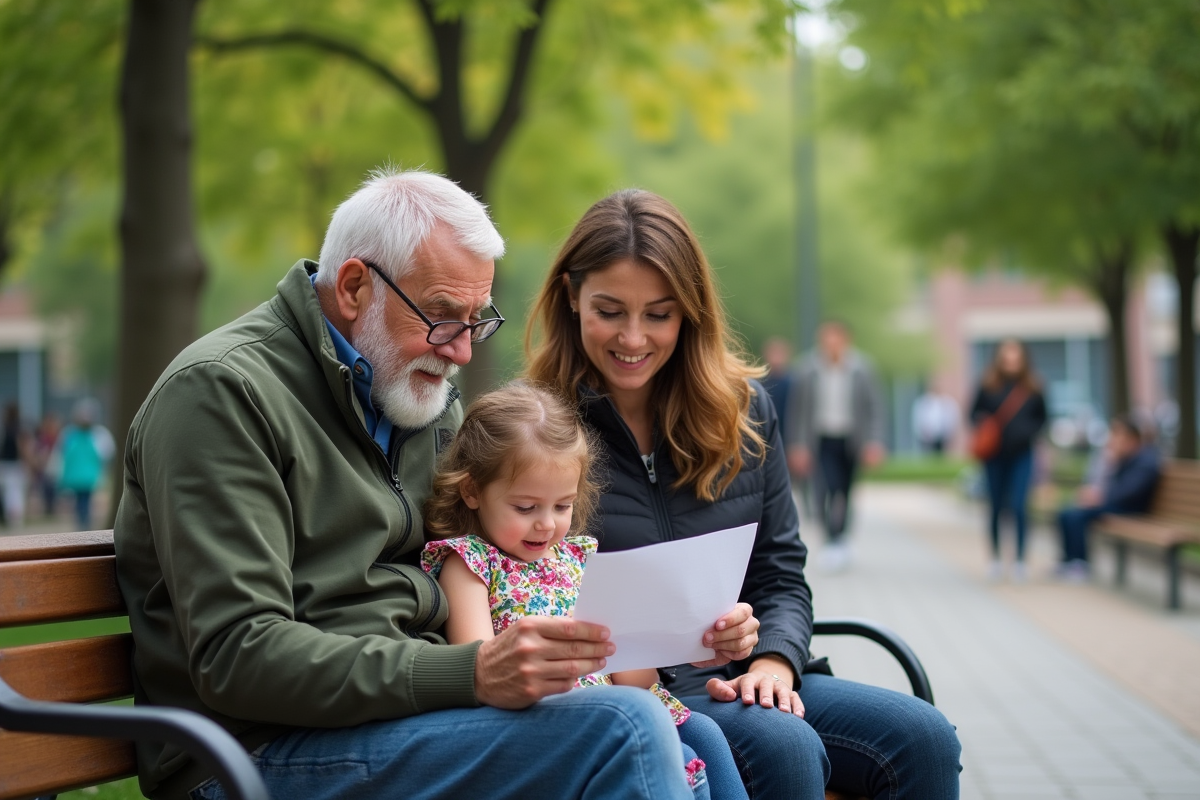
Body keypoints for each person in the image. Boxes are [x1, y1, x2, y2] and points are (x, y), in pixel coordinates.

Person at [114, 170, 699, 800]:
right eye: (443, 316)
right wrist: (471, 672)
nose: (462, 353)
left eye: (477, 320)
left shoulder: (415, 394)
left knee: (718, 740)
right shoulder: (222, 395)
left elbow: (494, 561)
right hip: (257, 755)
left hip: (410, 725)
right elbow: (240, 655)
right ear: (355, 286)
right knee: (624, 730)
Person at [526, 189, 961, 800]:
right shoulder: (534, 430)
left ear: (690, 312)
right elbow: (512, 590)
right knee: (784, 746)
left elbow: (781, 572)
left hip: (748, 679)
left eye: (659, 313)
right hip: (629, 696)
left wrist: (774, 658)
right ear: (571, 296)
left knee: (924, 737)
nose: (633, 337)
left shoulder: (744, 412)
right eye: (609, 310)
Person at [421, 382, 744, 798]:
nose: (546, 524)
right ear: (472, 491)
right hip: (542, 719)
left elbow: (631, 677)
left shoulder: (577, 556)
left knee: (706, 733)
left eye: (562, 505)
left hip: (622, 706)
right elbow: (481, 669)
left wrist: (679, 639)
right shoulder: (468, 562)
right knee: (678, 761)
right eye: (525, 507)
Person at [785, 320, 886, 572]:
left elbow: (875, 408)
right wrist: (797, 445)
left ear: (846, 339)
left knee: (846, 490)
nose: (831, 344)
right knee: (825, 489)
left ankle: (843, 538)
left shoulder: (862, 369)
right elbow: (796, 412)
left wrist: (875, 442)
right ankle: (830, 539)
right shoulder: (807, 369)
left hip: (851, 439)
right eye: (826, 338)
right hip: (820, 439)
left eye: (836, 338)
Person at [969, 339, 1047, 582]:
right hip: (994, 455)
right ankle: (995, 558)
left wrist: (1026, 432)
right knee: (994, 506)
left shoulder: (1033, 387)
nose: (1011, 361)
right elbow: (972, 414)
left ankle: (1021, 560)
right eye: (1006, 356)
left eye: (1015, 356)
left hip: (1022, 453)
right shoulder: (988, 385)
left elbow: (1043, 419)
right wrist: (986, 425)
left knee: (1020, 505)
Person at [1057, 415, 1161, 581]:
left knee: (1076, 516)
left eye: (1118, 436)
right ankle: (1069, 561)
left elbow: (1129, 492)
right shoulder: (1124, 457)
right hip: (1117, 504)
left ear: (1132, 439)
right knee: (1065, 512)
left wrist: (1100, 498)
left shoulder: (1145, 461)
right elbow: (1103, 481)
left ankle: (1080, 564)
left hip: (1131, 509)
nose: (1113, 440)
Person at [56, 398, 115, 529]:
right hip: (88, 476)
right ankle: (83, 523)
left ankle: (82, 523)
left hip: (78, 476)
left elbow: (62, 454)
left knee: (82, 501)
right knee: (84, 501)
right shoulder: (96, 435)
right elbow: (107, 454)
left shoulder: (70, 434)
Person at [0, 402, 29, 527]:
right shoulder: (17, 427)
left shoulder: (6, 427)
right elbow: (22, 447)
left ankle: (10, 517)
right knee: (15, 493)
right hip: (14, 464)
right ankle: (15, 519)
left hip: (6, 463)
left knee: (9, 493)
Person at [30, 410, 62, 518]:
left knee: (52, 487)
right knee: (46, 487)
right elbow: (38, 451)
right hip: (45, 465)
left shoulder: (58, 437)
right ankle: (49, 508)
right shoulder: (44, 438)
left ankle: (52, 508)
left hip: (54, 465)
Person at [912, 389, 960, 456]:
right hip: (928, 435)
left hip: (940, 434)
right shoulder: (925, 402)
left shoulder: (945, 402)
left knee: (940, 452)